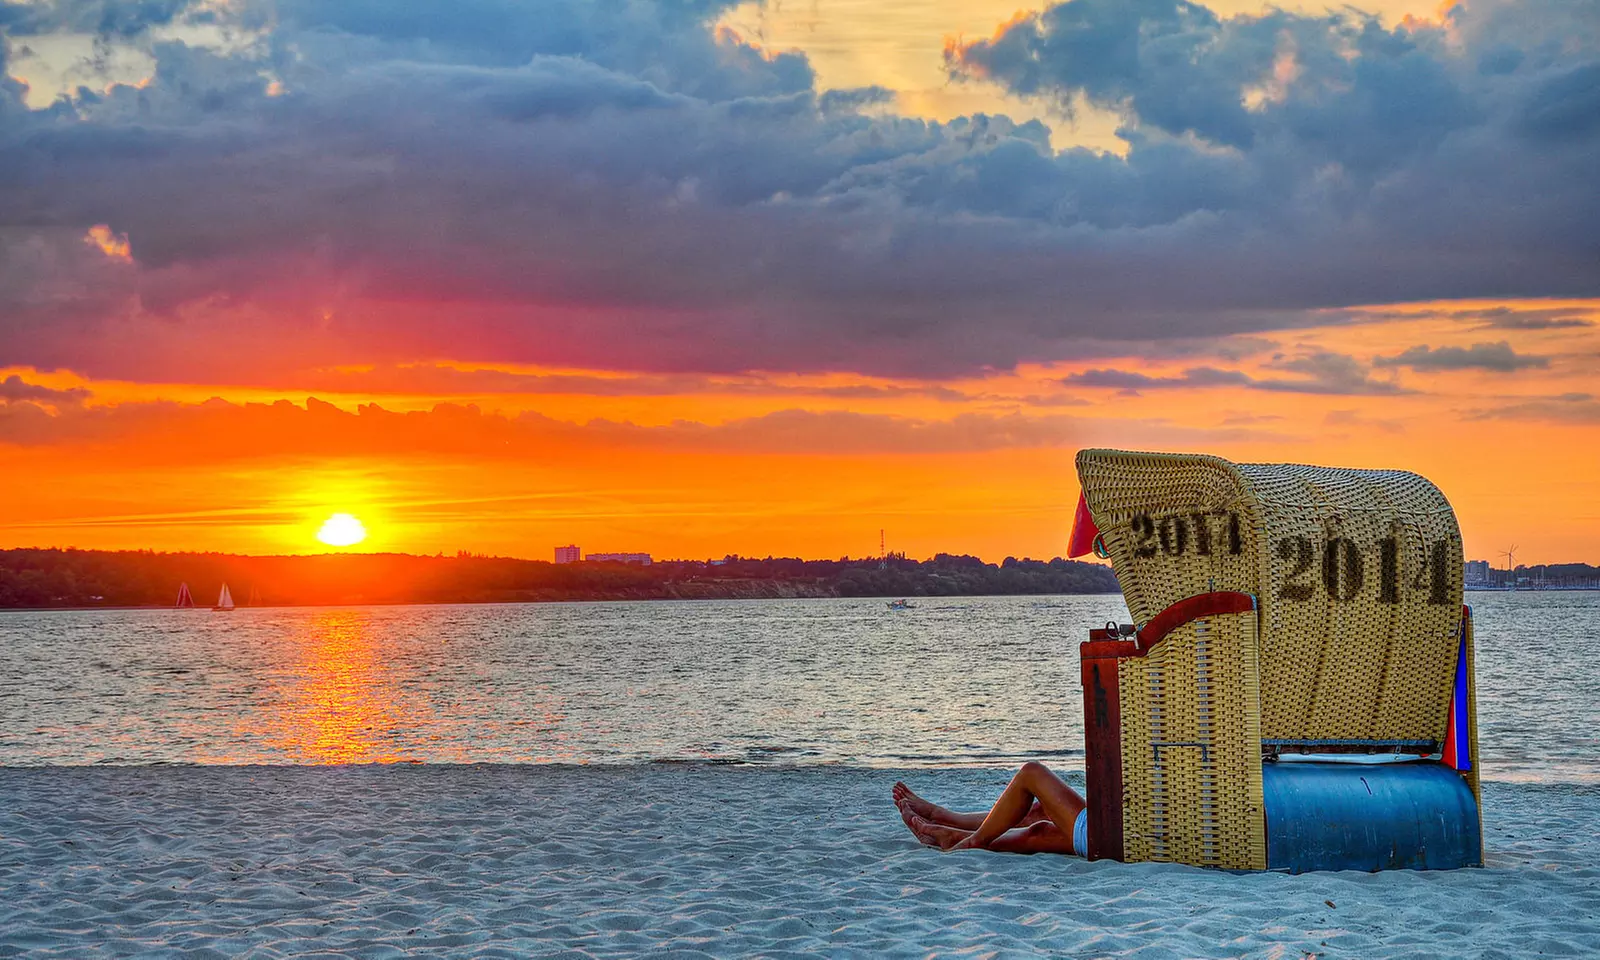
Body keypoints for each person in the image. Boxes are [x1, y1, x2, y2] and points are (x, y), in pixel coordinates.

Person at [893, 761, 1088, 855]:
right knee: (1039, 813)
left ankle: (969, 841)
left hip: (1112, 836)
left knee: (1032, 773)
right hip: (1113, 832)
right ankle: (945, 819)